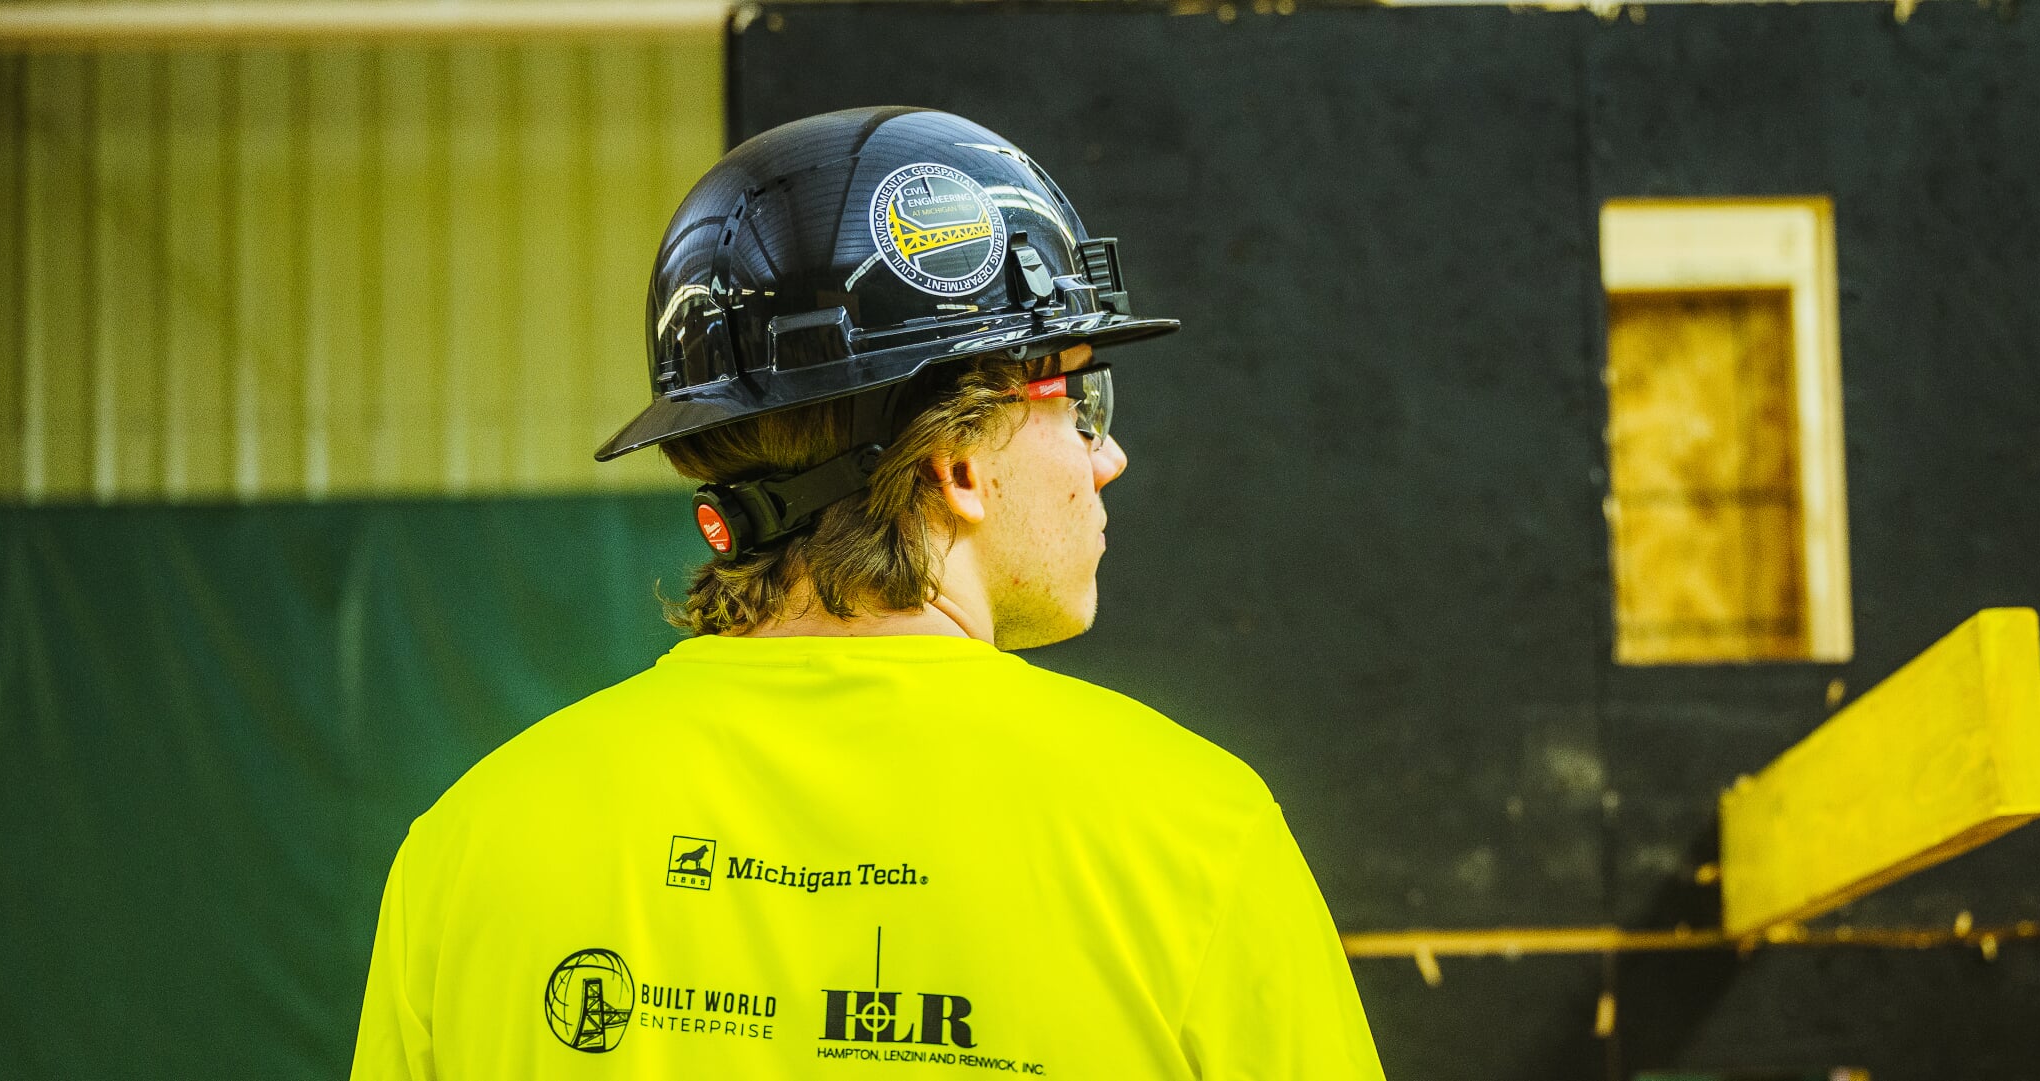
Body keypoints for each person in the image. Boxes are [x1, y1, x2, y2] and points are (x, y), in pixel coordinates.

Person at [350, 106, 1384, 1080]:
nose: (1105, 454)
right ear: (959, 466)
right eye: (1075, 398)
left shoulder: (475, 841)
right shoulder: (1192, 837)